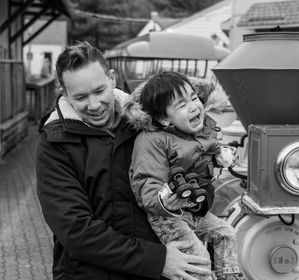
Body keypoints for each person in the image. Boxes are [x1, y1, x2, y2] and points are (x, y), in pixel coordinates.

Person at [35, 41, 213, 280]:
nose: (94, 104)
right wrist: (157, 260)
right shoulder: (54, 144)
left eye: (99, 91)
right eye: (80, 97)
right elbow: (75, 230)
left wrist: (200, 199)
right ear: (64, 93)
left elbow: (197, 169)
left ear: (112, 78)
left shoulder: (150, 123)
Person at [125, 71, 242, 280]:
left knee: (226, 233)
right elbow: (146, 181)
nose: (193, 106)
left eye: (194, 98)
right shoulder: (151, 140)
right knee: (199, 259)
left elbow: (205, 154)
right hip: (168, 216)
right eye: (181, 105)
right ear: (163, 118)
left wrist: (220, 156)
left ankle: (229, 276)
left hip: (193, 210)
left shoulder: (199, 131)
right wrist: (164, 201)